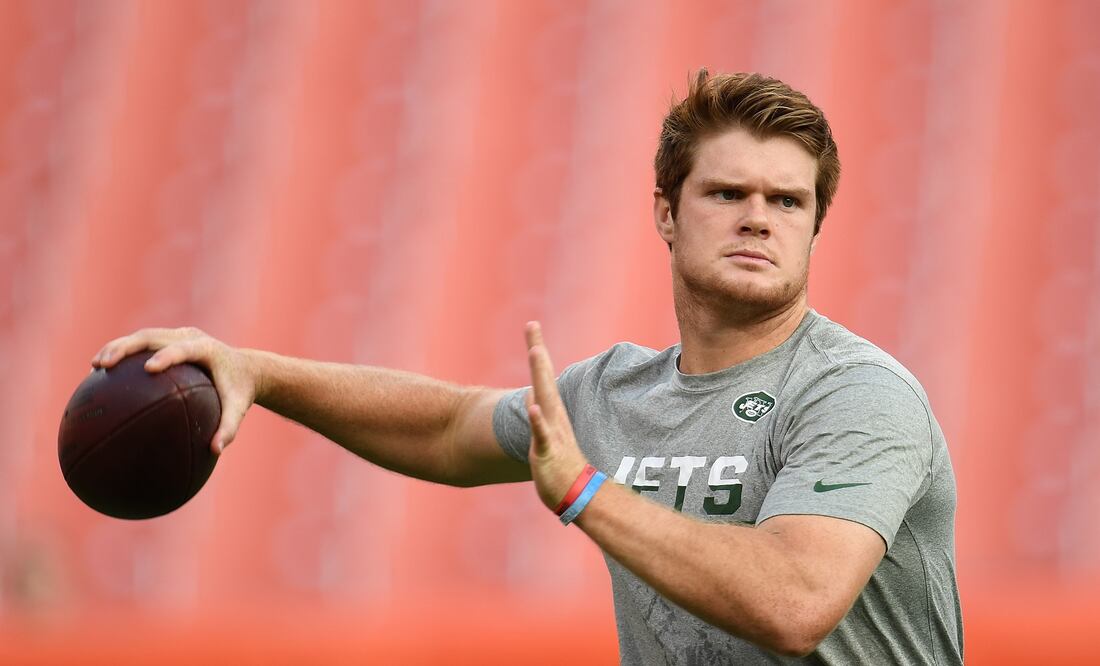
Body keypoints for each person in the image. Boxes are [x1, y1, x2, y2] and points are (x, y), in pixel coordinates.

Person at [92, 70, 963, 664]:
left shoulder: (856, 393)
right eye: (727, 193)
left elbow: (796, 601)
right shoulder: (617, 393)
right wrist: (257, 371)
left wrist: (587, 493)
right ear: (666, 211)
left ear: (816, 225)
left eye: (787, 201)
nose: (759, 219)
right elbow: (444, 427)